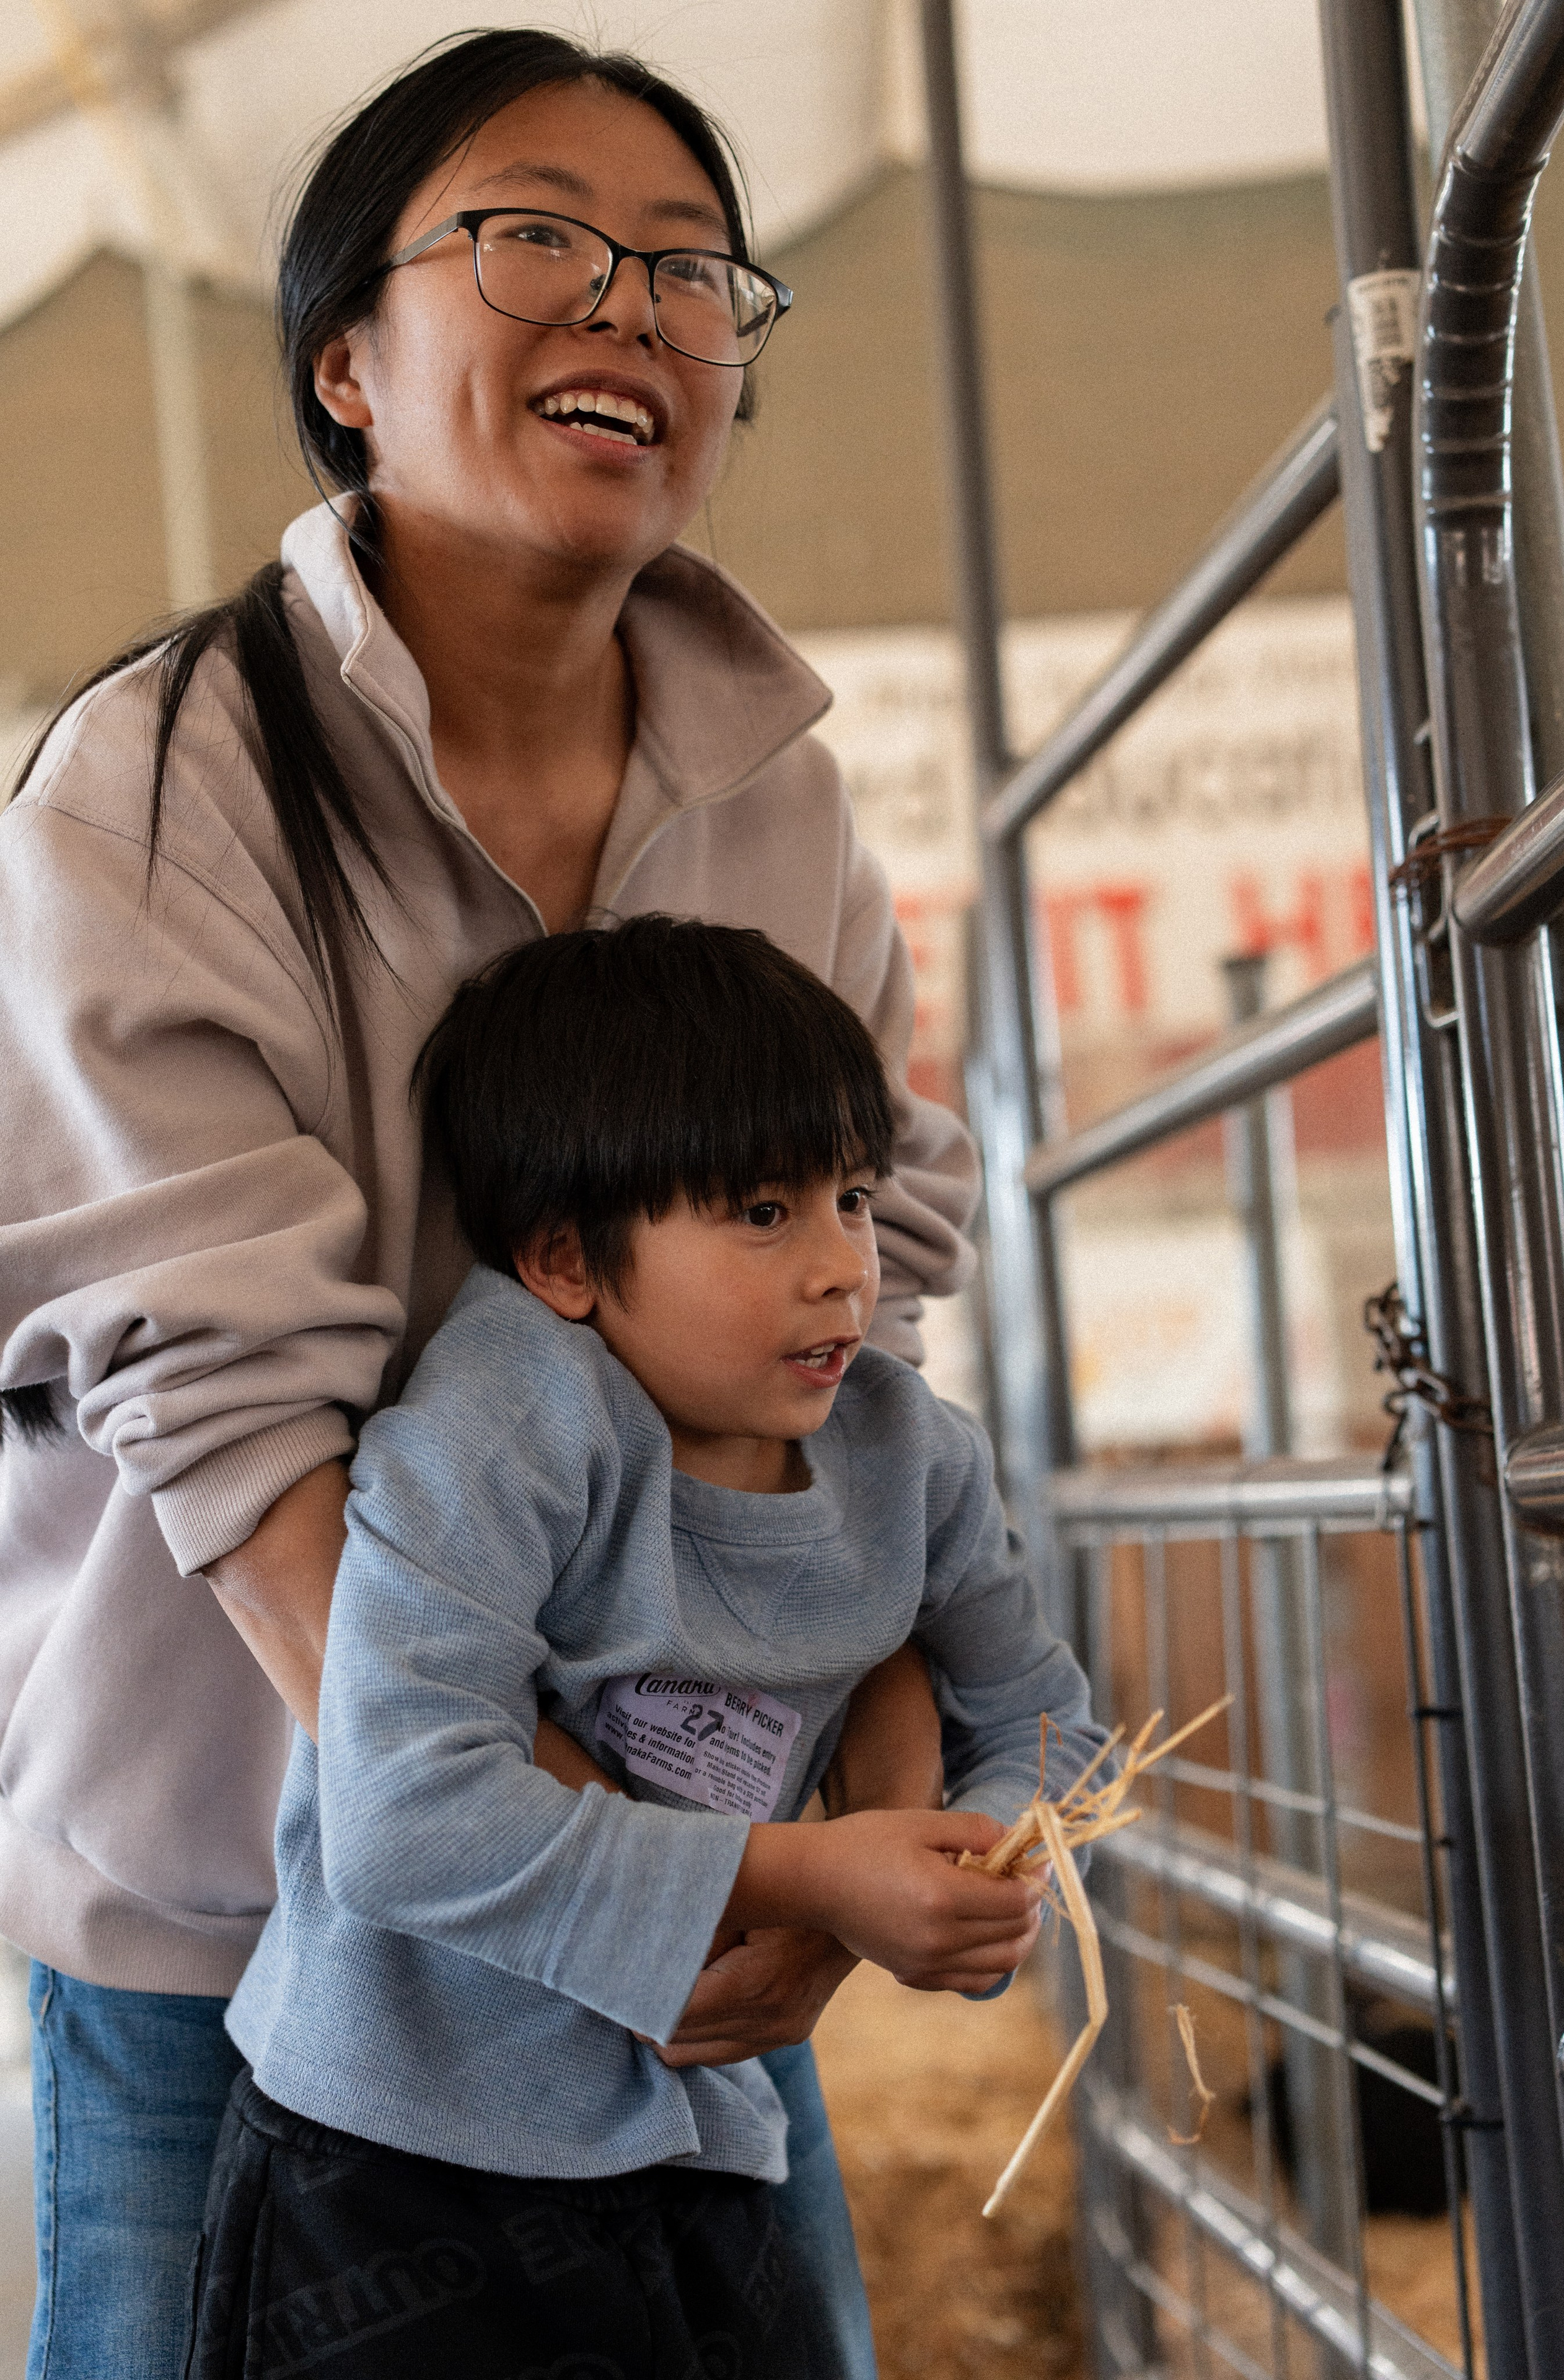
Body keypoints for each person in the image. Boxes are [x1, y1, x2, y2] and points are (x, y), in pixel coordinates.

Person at [0, 30, 982, 2380]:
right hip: (241, 1910)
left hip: (704, 1927)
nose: (630, 307)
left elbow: (873, 1305)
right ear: (346, 355)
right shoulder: (150, 790)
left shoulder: (782, 810)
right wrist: (646, 1887)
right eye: (537, 237)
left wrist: (849, 1854)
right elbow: (231, 1408)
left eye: (686, 271)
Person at [187, 918, 1105, 2379]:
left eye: (851, 1198)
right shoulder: (501, 1425)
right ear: (563, 1257)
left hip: (699, 2139)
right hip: (394, 2163)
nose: (841, 1271)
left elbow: (1045, 1722)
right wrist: (817, 1875)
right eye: (760, 1210)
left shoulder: (907, 1457)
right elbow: (404, 1816)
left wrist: (973, 1860)